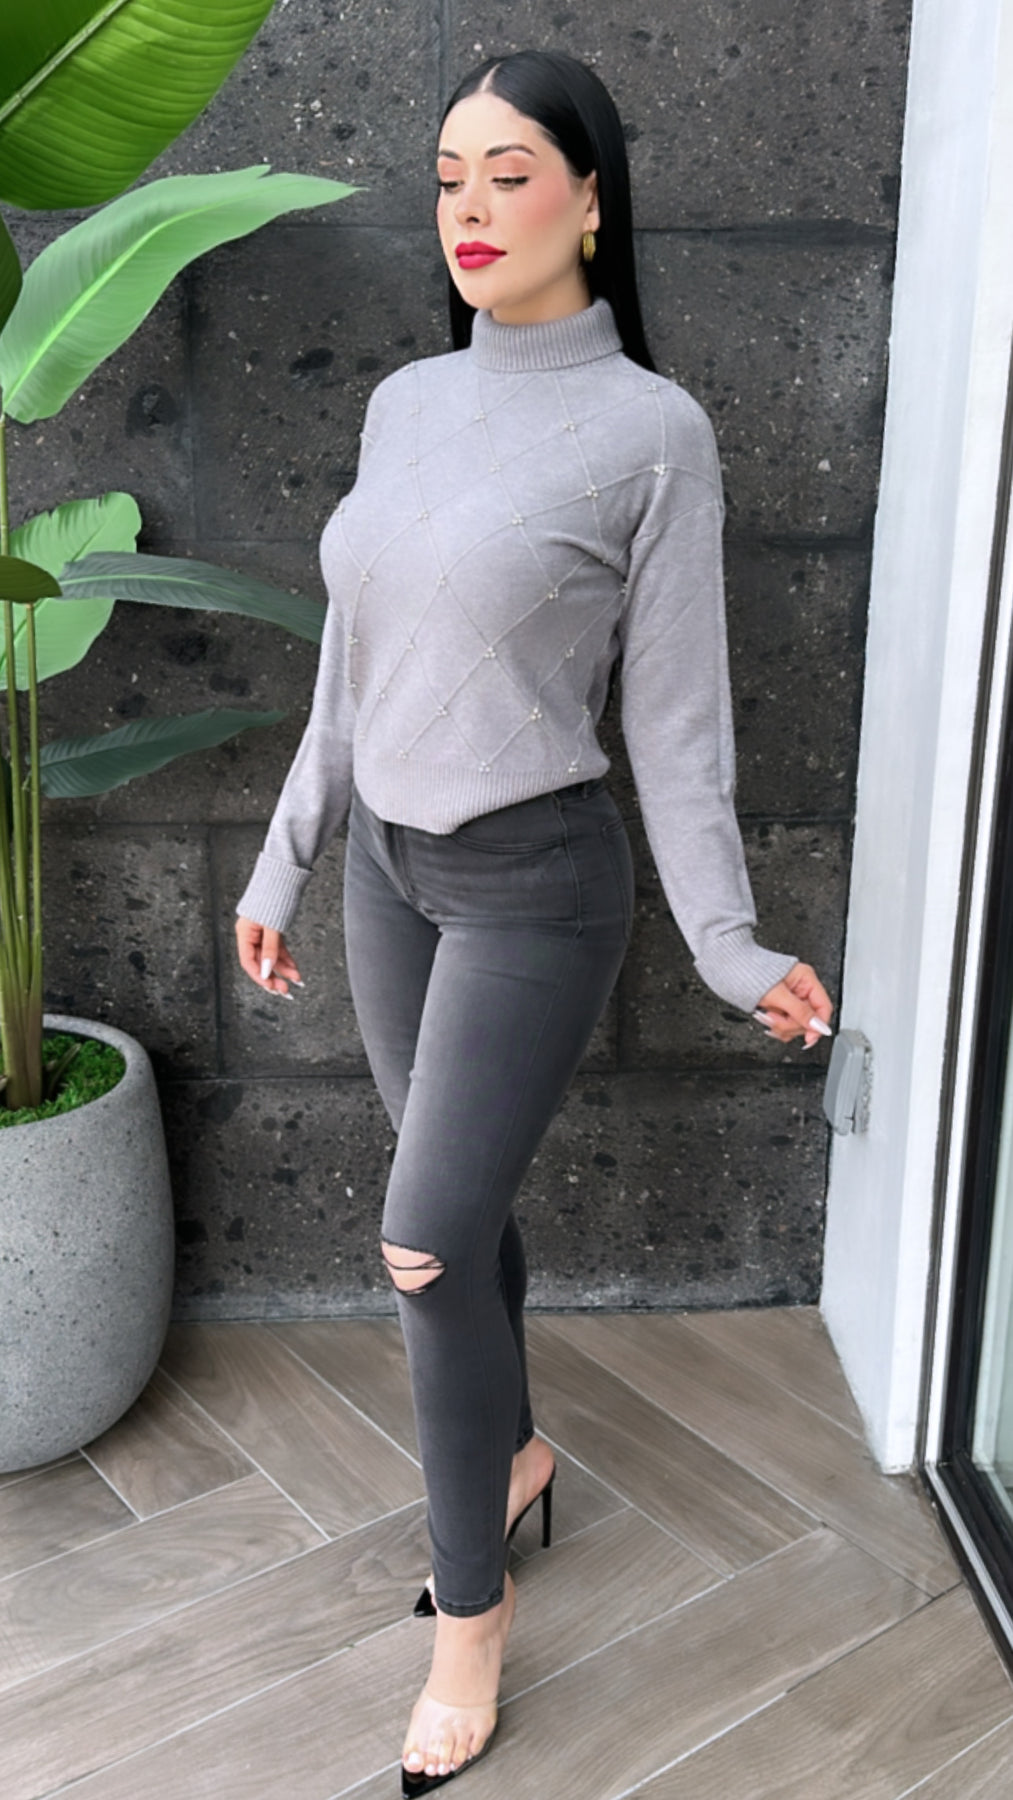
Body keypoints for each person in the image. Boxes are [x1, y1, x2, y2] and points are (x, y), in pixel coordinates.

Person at [235, 46, 833, 1796]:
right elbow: (349, 674)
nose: (471, 210)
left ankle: (472, 1623)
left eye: (509, 174)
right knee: (462, 1207)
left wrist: (724, 946)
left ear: (588, 198)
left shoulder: (653, 434)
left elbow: (678, 727)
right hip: (386, 874)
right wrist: (279, 861)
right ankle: (507, 1464)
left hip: (533, 891)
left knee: (421, 1241)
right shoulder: (406, 403)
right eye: (448, 178)